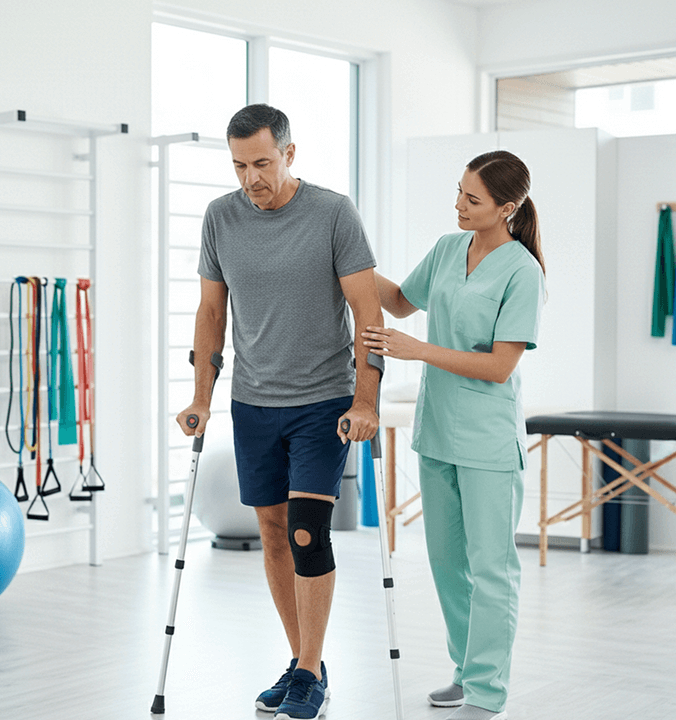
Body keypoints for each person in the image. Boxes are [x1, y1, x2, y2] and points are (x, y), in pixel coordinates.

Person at [177, 103, 383, 720]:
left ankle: (311, 671)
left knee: (305, 532)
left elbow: (368, 315)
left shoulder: (332, 213)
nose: (251, 178)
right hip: (253, 403)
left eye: (262, 163)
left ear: (289, 154)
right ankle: (303, 665)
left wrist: (365, 399)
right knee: (271, 532)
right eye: (240, 166)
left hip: (323, 402)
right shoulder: (220, 218)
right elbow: (211, 314)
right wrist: (200, 399)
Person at [362, 150, 546, 720]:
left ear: (506, 208)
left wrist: (417, 350)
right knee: (446, 564)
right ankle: (465, 674)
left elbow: (499, 367)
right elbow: (399, 301)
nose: (459, 206)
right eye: (459, 192)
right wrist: (344, 255)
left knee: (491, 568)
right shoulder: (447, 248)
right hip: (438, 431)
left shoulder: (522, 271)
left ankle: (488, 693)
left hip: (488, 441)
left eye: (473, 199)